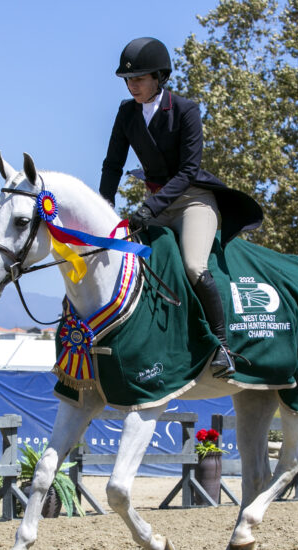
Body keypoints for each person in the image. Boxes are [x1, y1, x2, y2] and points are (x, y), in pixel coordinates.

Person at [99, 36, 263, 378]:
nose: (132, 86)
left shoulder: (185, 110)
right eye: (128, 80)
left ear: (159, 77)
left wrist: (149, 208)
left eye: (139, 79)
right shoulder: (126, 113)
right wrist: (105, 207)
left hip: (192, 201)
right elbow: (113, 164)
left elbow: (189, 171)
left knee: (192, 265)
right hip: (156, 204)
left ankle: (222, 347)